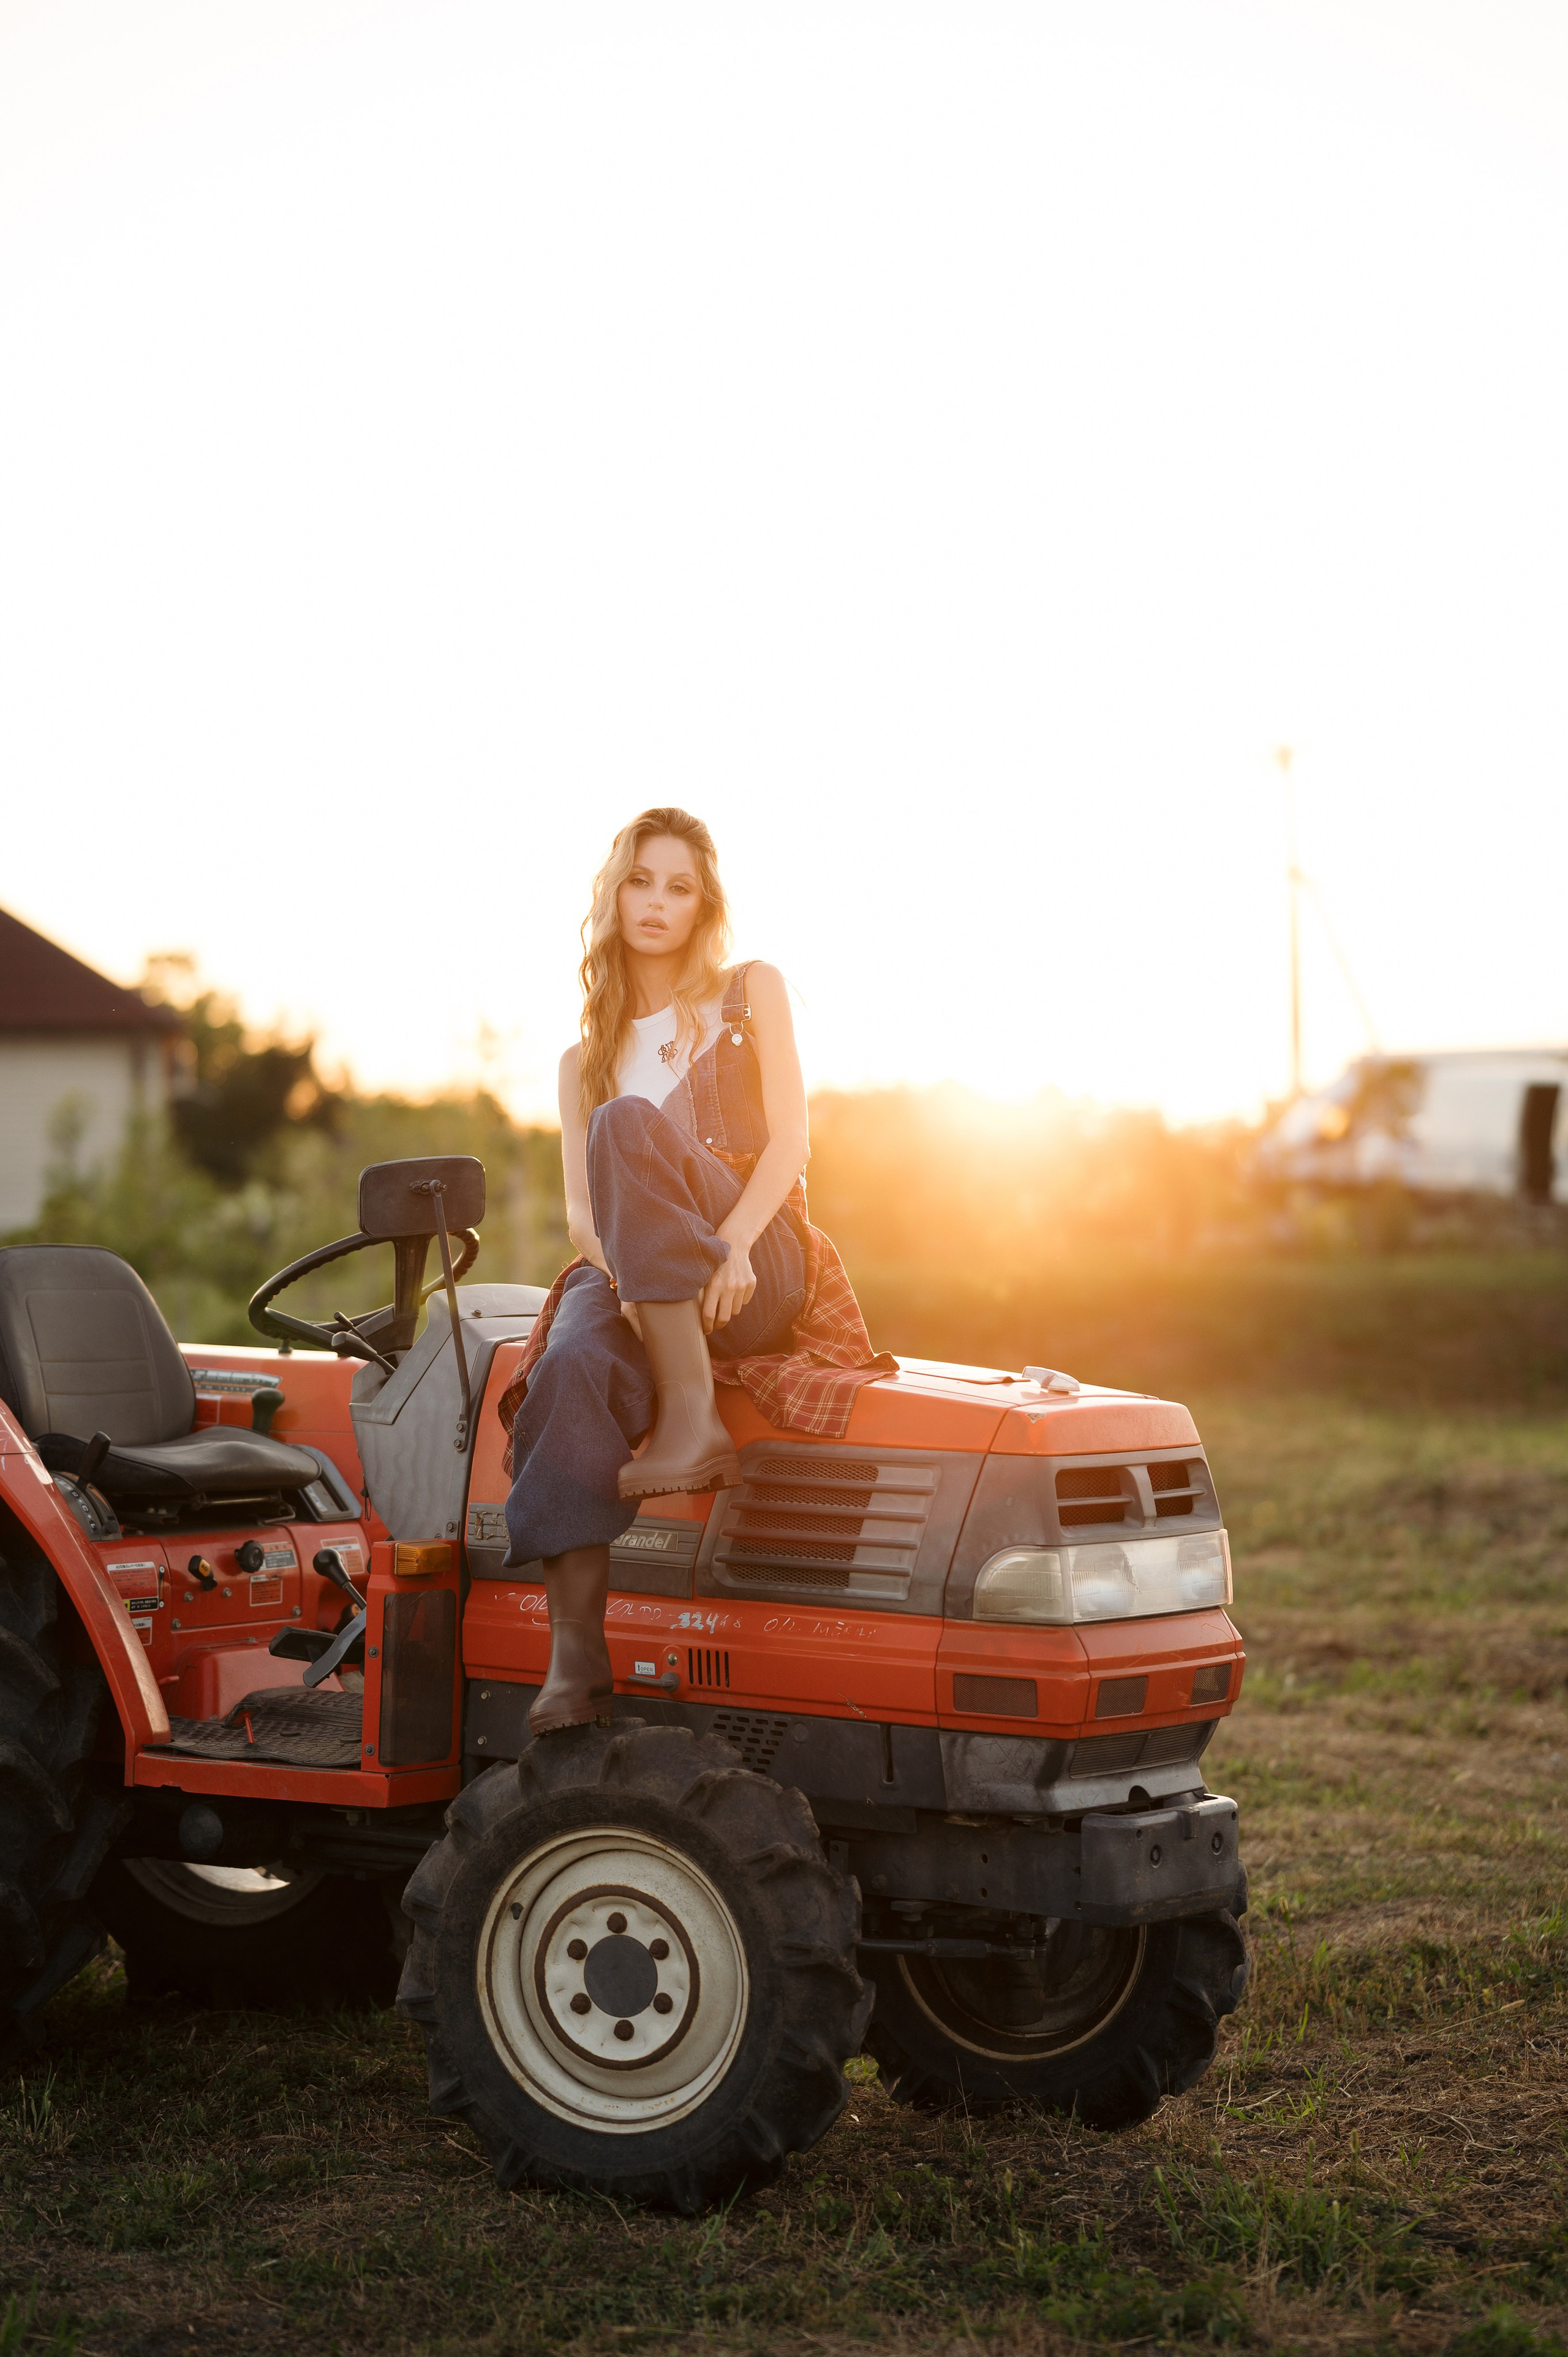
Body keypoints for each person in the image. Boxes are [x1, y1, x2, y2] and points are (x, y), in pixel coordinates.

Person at [499, 807, 893, 1735]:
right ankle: (577, 1657)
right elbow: (584, 1222)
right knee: (566, 1365)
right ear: (615, 892)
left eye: (680, 887)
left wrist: (733, 1247)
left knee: (627, 1128)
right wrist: (642, 1284)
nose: (658, 903)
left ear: (702, 905)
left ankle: (690, 1421)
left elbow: (791, 1145)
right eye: (642, 881)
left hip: (758, 1254)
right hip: (636, 1269)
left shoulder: (749, 993)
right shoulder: (580, 1061)